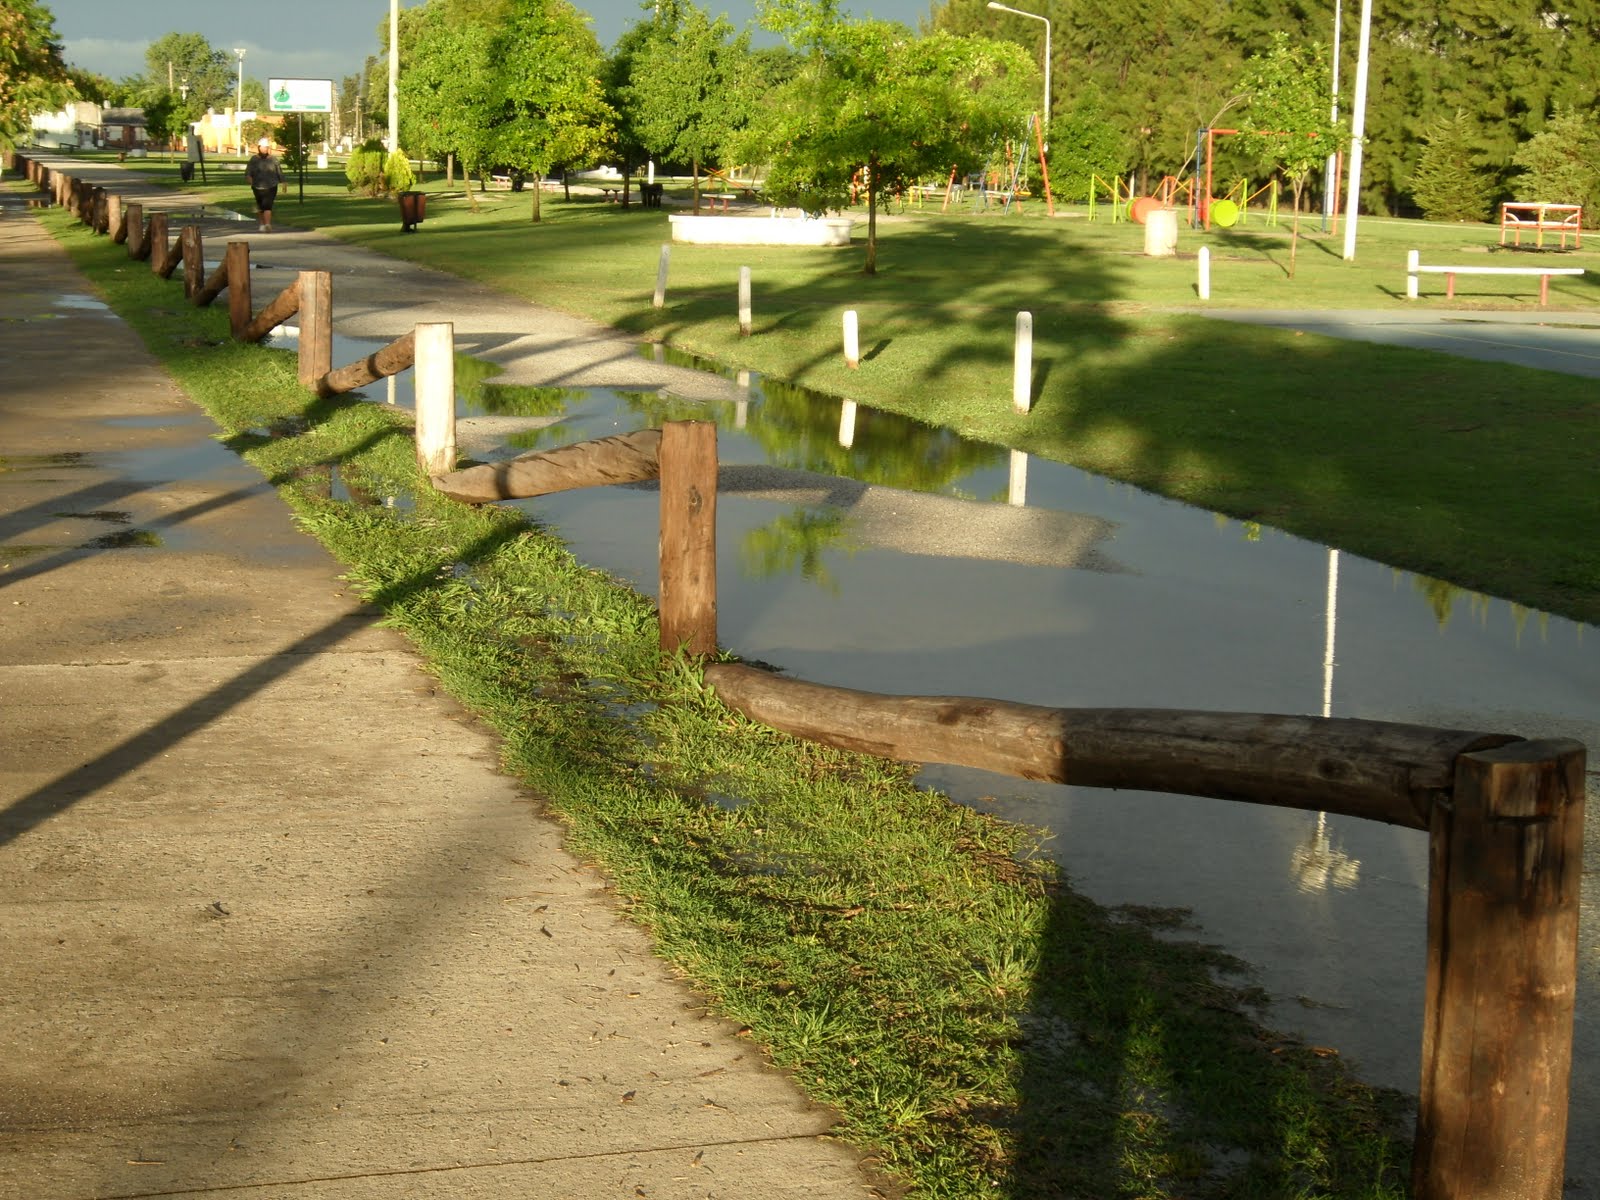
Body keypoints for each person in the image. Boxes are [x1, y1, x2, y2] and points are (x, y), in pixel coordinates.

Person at [245, 136, 284, 233]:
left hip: (271, 186)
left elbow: (279, 171)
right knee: (260, 206)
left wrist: (283, 182)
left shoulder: (273, 159)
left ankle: (267, 224)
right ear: (259, 148)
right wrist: (249, 178)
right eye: (262, 147)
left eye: (266, 147)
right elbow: (248, 171)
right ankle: (262, 223)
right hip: (257, 186)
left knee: (267, 205)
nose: (264, 149)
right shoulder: (254, 159)